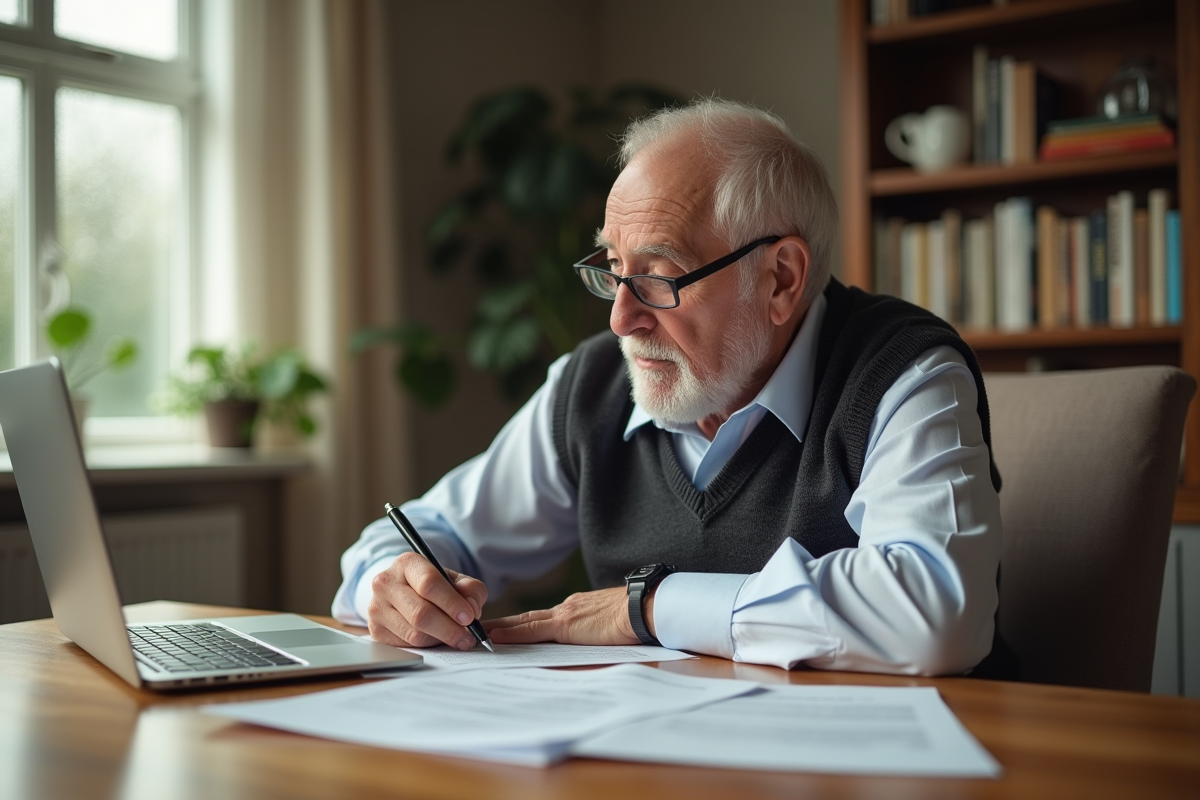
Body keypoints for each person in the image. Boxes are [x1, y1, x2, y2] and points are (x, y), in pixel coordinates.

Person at [333, 98, 1007, 677]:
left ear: (781, 279)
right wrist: (389, 583)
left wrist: (647, 608)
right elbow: (433, 530)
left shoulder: (903, 372)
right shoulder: (594, 385)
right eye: (613, 267)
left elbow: (934, 611)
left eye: (659, 276)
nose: (620, 317)